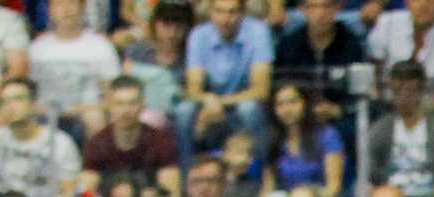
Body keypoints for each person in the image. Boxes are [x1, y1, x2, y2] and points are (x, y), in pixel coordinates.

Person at [0, 77, 85, 197]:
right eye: (5, 101)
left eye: (17, 99)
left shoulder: (59, 142)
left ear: (33, 104)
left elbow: (68, 193)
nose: (11, 106)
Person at [364, 0, 434, 135]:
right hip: (387, 102)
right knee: (366, 110)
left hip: (431, 107)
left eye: (431, 1)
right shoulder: (386, 23)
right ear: (407, 2)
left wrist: (419, 112)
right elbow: (372, 68)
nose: (423, 5)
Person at [366, 58, 434, 197]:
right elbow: (368, 173)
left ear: (422, 90)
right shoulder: (379, 129)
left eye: (409, 91)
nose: (402, 98)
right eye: (397, 92)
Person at [180, 0, 271, 150]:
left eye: (232, 12)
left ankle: (259, 167)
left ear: (242, 12)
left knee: (248, 109)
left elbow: (261, 91)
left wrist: (218, 102)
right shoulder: (198, 35)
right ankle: (186, 170)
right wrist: (208, 100)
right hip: (209, 106)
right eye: (219, 11)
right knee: (184, 111)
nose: (225, 19)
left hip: (240, 104)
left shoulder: (258, 31)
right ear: (211, 12)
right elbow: (193, 89)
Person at [80, 75, 180, 197]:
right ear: (109, 106)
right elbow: (85, 196)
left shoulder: (160, 141)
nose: (125, 110)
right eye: (119, 104)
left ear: (142, 105)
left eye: (132, 103)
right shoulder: (96, 144)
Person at [30, 0, 120, 123]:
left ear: (83, 8)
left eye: (71, 3)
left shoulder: (101, 46)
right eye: (59, 4)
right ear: (49, 10)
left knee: (94, 118)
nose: (66, 9)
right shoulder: (37, 49)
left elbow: (112, 94)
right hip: (45, 114)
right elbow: (29, 92)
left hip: (86, 112)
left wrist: (84, 109)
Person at [262, 77, 343, 197]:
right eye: (280, 104)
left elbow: (333, 187)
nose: (287, 109)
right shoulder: (272, 140)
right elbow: (267, 190)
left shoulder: (327, 135)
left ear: (305, 103)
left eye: (293, 102)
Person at [274, 0, 363, 102]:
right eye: (312, 7)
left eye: (326, 6)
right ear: (302, 9)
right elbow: (281, 88)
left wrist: (339, 109)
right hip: (300, 113)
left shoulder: (351, 45)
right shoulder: (288, 46)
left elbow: (358, 92)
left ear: (337, 7)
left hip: (341, 112)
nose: (320, 13)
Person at [121, 0, 192, 121]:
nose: (172, 33)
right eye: (166, 25)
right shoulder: (137, 50)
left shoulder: (190, 57)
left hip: (175, 116)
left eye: (178, 26)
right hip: (141, 113)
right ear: (155, 24)